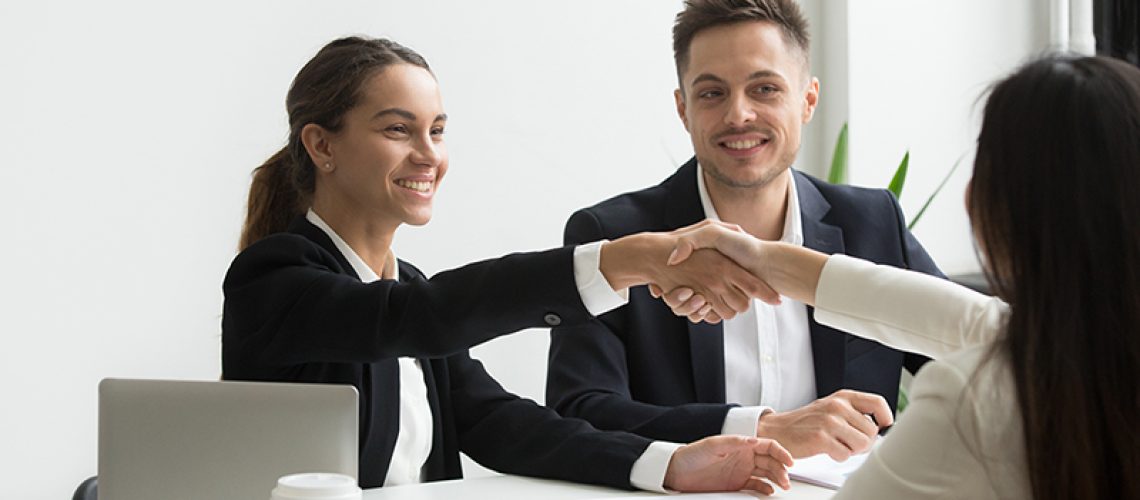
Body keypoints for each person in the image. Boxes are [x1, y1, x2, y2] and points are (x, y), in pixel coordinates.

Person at [220, 36, 794, 494]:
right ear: (322, 146)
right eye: (399, 129)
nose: (429, 154)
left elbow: (502, 425)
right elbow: (415, 316)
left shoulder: (405, 286)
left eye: (437, 131)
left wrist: (667, 466)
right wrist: (622, 260)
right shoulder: (272, 278)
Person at [663, 54, 1140, 500]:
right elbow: (962, 317)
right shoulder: (1086, 346)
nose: (739, 114)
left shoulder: (972, 399)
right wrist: (762, 258)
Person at [546, 0, 940, 461]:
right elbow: (580, 413)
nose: (739, 115)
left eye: (765, 89)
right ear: (683, 108)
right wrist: (761, 428)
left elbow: (980, 366)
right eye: (712, 93)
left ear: (808, 100)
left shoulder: (873, 223)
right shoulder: (614, 235)